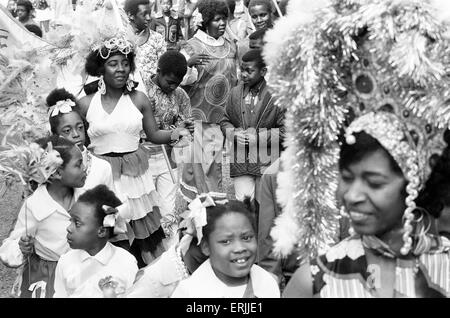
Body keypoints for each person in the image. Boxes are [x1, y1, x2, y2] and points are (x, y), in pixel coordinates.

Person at [283, 112, 450, 298]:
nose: (352, 196)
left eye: (374, 183)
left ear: (416, 186)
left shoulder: (445, 265)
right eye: (346, 178)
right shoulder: (314, 281)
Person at [78, 34, 190, 267]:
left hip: (135, 176)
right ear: (101, 69)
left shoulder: (139, 99)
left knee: (141, 239)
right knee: (107, 233)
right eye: (113, 63)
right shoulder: (86, 103)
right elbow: (77, 140)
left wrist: (175, 133)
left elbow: (153, 135)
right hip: (102, 177)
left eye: (125, 63)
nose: (120, 69)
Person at [0, 135, 87, 298]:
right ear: (58, 173)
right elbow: (9, 246)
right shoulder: (35, 206)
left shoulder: (86, 198)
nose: (85, 168)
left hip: (84, 270)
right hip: (50, 280)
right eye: (78, 164)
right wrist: (20, 247)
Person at [171, 197, 280, 297]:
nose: (239, 248)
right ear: (206, 247)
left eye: (246, 238)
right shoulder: (189, 293)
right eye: (226, 241)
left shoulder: (267, 283)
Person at [142, 50, 192, 247]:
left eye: (178, 83)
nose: (173, 87)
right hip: (141, 159)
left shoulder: (181, 96)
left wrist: (187, 129)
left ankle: (171, 255)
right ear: (158, 71)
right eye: (170, 81)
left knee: (167, 210)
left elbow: (185, 126)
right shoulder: (141, 91)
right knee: (145, 210)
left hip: (168, 159)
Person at [220, 49, 284, 201]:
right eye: (241, 69)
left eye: (249, 71)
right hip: (241, 162)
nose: (243, 74)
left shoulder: (277, 95)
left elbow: (286, 131)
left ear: (263, 71)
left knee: (266, 209)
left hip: (267, 162)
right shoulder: (234, 92)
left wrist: (259, 138)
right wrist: (232, 133)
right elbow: (224, 120)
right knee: (244, 206)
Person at [53, 185, 139, 297]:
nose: (69, 228)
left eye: (77, 223)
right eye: (71, 221)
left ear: (101, 231)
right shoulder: (65, 262)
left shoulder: (126, 262)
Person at [45, 88, 114, 193]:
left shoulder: (102, 167)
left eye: (80, 127)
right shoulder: (50, 172)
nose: (76, 134)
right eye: (67, 131)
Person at [180, 0, 238, 124]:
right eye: (217, 20)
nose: (222, 23)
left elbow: (236, 78)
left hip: (227, 117)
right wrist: (189, 64)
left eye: (224, 18)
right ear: (205, 22)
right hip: (200, 115)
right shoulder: (191, 47)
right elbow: (182, 81)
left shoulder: (231, 47)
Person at [256, 159, 299, 289]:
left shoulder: (344, 167)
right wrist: (271, 280)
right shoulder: (273, 174)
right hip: (295, 274)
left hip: (340, 269)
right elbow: (268, 233)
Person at [124, 0, 167, 87]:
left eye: (149, 13)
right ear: (130, 15)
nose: (148, 18)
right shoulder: (121, 40)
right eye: (144, 14)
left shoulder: (157, 39)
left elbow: (164, 70)